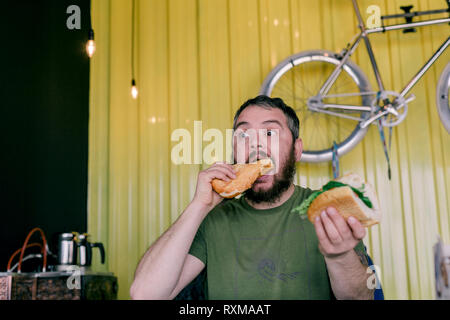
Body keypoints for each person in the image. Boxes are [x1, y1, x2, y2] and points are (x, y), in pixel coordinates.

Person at [130, 95, 379, 300]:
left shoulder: (327, 208)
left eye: (270, 133)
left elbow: (363, 297)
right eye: (243, 136)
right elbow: (144, 294)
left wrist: (340, 255)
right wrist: (199, 205)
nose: (256, 146)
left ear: (296, 149)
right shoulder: (213, 219)